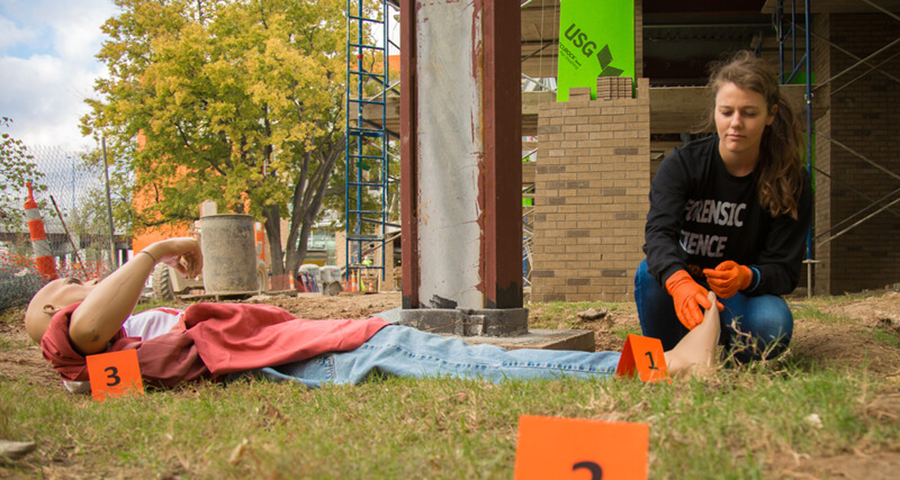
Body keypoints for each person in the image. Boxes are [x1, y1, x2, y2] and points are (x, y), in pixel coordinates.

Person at [26, 238, 721, 392]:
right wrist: (148, 254)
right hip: (323, 353)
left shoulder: (121, 339)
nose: (87, 285)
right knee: (478, 362)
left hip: (317, 345)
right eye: (66, 292)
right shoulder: (73, 340)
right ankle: (663, 364)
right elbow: (84, 331)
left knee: (458, 343)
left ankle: (657, 360)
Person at [634, 50, 812, 362]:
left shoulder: (792, 180)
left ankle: (730, 364)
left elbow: (785, 270)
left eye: (750, 113)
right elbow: (658, 235)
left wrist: (747, 276)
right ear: (715, 111)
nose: (736, 124)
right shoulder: (683, 164)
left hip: (741, 296)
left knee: (773, 322)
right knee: (650, 274)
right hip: (685, 286)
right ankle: (665, 356)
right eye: (726, 112)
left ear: (770, 115)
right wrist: (679, 284)